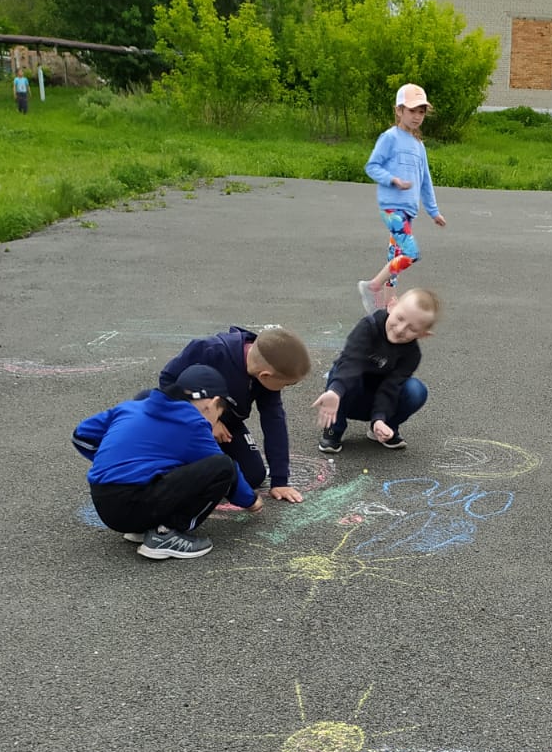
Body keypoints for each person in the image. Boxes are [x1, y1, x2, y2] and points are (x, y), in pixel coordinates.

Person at [72, 364, 262, 560]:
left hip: (104, 502)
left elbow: (81, 435)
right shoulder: (192, 424)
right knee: (222, 466)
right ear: (212, 403)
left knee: (173, 466)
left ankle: (145, 527)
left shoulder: (132, 407)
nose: (213, 424)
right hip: (134, 502)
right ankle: (166, 533)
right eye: (218, 416)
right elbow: (226, 472)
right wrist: (251, 500)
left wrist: (109, 461)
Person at [158, 325, 311, 505]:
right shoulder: (209, 350)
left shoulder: (265, 378)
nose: (284, 389)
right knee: (182, 472)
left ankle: (207, 461)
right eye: (286, 385)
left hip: (227, 421)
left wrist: (280, 481)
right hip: (186, 419)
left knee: (253, 475)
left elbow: (274, 421)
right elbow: (167, 381)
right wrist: (207, 422)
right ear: (265, 375)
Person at [359, 84, 446, 314]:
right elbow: (372, 166)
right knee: (410, 254)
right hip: (392, 208)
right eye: (412, 111)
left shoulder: (419, 145)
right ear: (399, 111)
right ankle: (372, 286)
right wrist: (393, 180)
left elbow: (425, 181)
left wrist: (434, 211)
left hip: (408, 209)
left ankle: (385, 304)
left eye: (421, 112)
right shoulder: (390, 138)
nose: (417, 116)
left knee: (395, 254)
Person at [316, 289, 437, 453]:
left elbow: (391, 387)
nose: (401, 329)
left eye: (412, 329)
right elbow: (350, 362)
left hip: (380, 400)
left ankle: (383, 428)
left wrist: (379, 418)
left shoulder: (412, 354)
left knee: (416, 390)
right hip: (348, 394)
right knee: (339, 371)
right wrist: (336, 391)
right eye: (400, 318)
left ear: (423, 334)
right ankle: (333, 430)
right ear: (392, 305)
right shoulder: (369, 327)